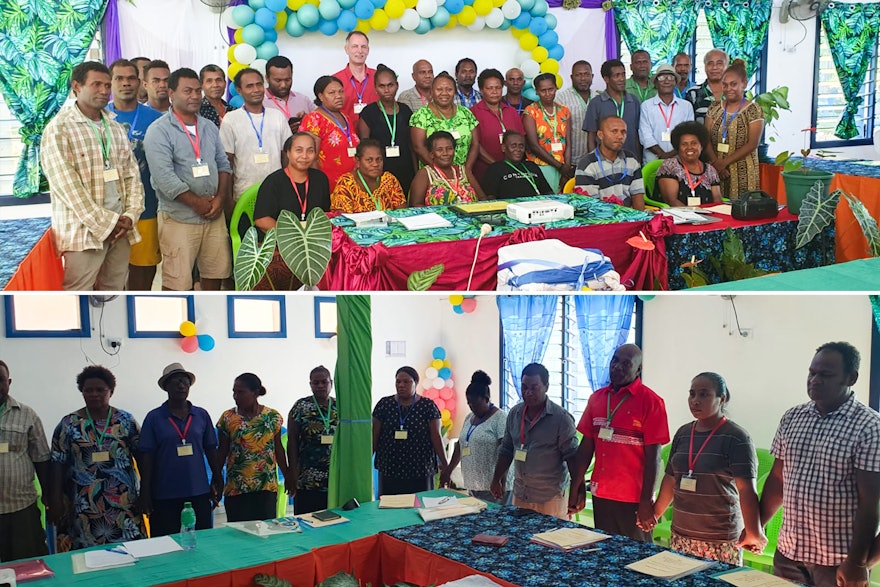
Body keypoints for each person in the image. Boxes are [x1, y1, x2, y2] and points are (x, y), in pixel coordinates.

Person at [760, 342, 880, 587]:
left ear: (851, 378)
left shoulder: (869, 426)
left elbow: (871, 502)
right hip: (788, 554)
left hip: (838, 562)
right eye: (812, 373)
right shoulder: (793, 417)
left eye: (825, 375)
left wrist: (857, 562)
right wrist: (757, 525)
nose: (815, 380)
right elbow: (778, 479)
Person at [41, 61, 144, 291]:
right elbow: (68, 187)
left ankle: (110, 330)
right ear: (76, 86)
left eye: (107, 85)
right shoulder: (59, 129)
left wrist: (129, 215)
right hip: (83, 234)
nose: (104, 90)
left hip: (120, 231)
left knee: (113, 295)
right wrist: (108, 223)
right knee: (78, 301)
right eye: (96, 84)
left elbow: (132, 176)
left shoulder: (115, 126)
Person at [652, 373, 766, 565]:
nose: (695, 401)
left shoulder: (737, 438)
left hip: (720, 538)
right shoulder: (683, 433)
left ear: (722, 399)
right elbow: (671, 479)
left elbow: (746, 490)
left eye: (704, 394)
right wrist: (654, 514)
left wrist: (754, 531)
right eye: (692, 394)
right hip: (682, 533)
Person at [568, 344, 669, 541]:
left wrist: (646, 501)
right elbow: (585, 450)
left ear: (638, 370)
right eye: (615, 360)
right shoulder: (596, 399)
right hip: (601, 493)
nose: (617, 367)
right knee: (605, 552)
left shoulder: (651, 402)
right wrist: (575, 488)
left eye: (626, 364)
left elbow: (653, 459)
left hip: (633, 498)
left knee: (636, 557)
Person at [143, 67, 232, 291]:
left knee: (214, 274)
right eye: (187, 91)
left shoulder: (208, 126)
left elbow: (223, 165)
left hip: (213, 214)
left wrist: (220, 200)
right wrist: (198, 203)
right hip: (179, 217)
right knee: (177, 281)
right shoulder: (159, 130)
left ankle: (210, 318)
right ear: (171, 93)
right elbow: (164, 178)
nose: (194, 96)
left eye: (197, 91)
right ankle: (175, 325)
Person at [49, 365, 146, 550]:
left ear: (111, 391)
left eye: (100, 390)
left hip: (123, 504)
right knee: (87, 559)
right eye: (88, 390)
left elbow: (142, 457)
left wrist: (146, 493)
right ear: (82, 392)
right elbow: (57, 463)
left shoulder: (125, 421)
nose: (94, 394)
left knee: (131, 554)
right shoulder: (69, 424)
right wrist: (55, 500)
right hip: (83, 507)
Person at [139, 363, 222, 537]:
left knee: (203, 541)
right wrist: (145, 490)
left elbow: (211, 449)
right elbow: (147, 456)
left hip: (198, 491)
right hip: (164, 493)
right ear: (166, 387)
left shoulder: (201, 415)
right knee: (165, 543)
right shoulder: (154, 417)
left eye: (185, 382)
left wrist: (217, 477)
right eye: (176, 381)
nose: (181, 385)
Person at [490, 363, 578, 519]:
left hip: (550, 498)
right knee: (521, 540)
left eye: (534, 387)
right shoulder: (515, 413)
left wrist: (577, 491)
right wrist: (496, 478)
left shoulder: (561, 418)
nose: (528, 392)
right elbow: (506, 449)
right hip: (521, 494)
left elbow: (572, 457)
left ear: (546, 386)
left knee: (551, 541)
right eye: (524, 387)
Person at [106, 58, 164, 293]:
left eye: (131, 78)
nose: (126, 83)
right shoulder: (99, 116)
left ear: (140, 82)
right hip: (108, 208)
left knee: (143, 267)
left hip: (147, 206)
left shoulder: (156, 119)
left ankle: (141, 305)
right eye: (119, 78)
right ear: (110, 82)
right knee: (110, 272)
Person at [254, 133, 331, 289]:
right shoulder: (273, 181)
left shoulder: (320, 179)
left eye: (310, 151)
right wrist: (292, 237)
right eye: (298, 150)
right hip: (280, 244)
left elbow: (325, 215)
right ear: (288, 152)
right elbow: (262, 220)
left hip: (313, 243)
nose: (304, 156)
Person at [215, 373, 286, 522]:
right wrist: (216, 479)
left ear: (255, 393)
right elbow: (221, 452)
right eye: (234, 392)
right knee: (238, 535)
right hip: (236, 488)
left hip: (265, 487)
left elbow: (278, 449)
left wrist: (288, 475)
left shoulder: (272, 417)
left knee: (266, 534)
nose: (235, 396)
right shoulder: (227, 418)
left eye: (240, 392)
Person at [219, 68, 292, 210]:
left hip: (276, 191)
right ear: (239, 90)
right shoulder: (231, 119)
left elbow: (286, 155)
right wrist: (227, 198)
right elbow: (227, 161)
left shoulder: (276, 116)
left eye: (259, 84)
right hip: (243, 192)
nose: (256, 89)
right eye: (249, 86)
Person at [0, 360, 51, 562]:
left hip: (21, 509)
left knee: (28, 566)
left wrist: (49, 495)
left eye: (0, 380)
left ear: (9, 382)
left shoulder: (27, 415)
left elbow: (42, 458)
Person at [372, 366, 448, 496]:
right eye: (398, 382)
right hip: (390, 470)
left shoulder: (427, 406)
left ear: (416, 383)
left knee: (419, 509)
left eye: (406, 382)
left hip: (420, 470)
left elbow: (436, 437)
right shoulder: (384, 405)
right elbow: (374, 436)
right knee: (390, 509)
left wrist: (446, 467)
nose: (401, 385)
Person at [440, 371, 511, 504]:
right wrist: (448, 471)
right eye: (469, 404)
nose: (473, 408)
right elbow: (461, 445)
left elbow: (505, 450)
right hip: (473, 485)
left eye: (476, 404)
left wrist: (499, 479)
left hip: (495, 486)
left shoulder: (500, 418)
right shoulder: (469, 418)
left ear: (487, 399)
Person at [705, 59, 763, 199]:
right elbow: (705, 138)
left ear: (744, 83)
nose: (728, 88)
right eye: (725, 85)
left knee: (743, 211)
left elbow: (752, 143)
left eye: (733, 84)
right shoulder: (714, 108)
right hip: (716, 170)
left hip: (743, 172)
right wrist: (716, 164)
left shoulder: (753, 110)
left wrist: (724, 162)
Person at [357, 64, 416, 193]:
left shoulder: (406, 110)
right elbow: (364, 147)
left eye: (390, 85)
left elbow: (412, 145)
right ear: (375, 88)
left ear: (397, 85)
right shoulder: (368, 113)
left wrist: (416, 172)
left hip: (406, 170)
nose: (387, 90)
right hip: (378, 171)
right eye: (382, 86)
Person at [287, 366, 338, 514]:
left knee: (333, 520)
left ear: (331, 383)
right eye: (316, 383)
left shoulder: (339, 406)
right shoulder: (300, 406)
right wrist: (293, 471)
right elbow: (292, 441)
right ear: (310, 384)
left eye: (324, 382)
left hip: (334, 477)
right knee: (306, 520)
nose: (320, 386)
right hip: (307, 476)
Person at [410, 72, 480, 171]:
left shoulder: (465, 113)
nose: (444, 93)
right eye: (439, 89)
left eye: (449, 89)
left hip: (463, 173)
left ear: (455, 92)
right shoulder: (421, 115)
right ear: (431, 91)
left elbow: (475, 144)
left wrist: (466, 170)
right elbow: (418, 147)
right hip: (434, 174)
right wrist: (442, 171)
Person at [300, 75, 360, 190]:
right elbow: (310, 158)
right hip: (328, 186)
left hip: (352, 184)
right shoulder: (314, 119)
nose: (338, 96)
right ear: (321, 96)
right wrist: (318, 187)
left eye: (341, 91)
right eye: (332, 93)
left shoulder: (345, 117)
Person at [574, 116, 645, 209]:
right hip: (602, 218)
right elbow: (590, 206)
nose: (620, 136)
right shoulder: (587, 164)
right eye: (614, 131)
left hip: (629, 217)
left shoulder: (631, 160)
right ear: (600, 135)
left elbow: (637, 196)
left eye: (623, 132)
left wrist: (639, 219)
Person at [470, 68, 525, 182]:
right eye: (489, 88)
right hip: (485, 171)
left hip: (513, 171)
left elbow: (521, 140)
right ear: (481, 90)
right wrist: (497, 166)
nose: (494, 92)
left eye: (498, 88)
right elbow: (475, 145)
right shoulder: (473, 113)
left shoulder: (511, 111)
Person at [523, 73, 573, 192]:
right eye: (543, 90)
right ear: (536, 92)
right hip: (540, 166)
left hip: (563, 167)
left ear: (556, 88)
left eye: (550, 89)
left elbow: (569, 142)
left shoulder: (564, 111)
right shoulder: (530, 112)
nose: (547, 94)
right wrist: (560, 167)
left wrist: (566, 168)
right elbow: (534, 145)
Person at [584, 59, 641, 159]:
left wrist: (638, 160)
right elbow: (591, 136)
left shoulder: (633, 101)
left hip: (630, 159)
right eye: (616, 75)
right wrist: (594, 161)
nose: (621, 79)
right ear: (606, 79)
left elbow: (637, 134)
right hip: (604, 160)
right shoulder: (596, 103)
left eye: (623, 74)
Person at [656, 121, 722, 206]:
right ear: (678, 147)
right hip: (678, 216)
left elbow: (717, 201)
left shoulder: (710, 170)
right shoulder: (670, 167)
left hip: (709, 216)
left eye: (694, 143)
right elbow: (672, 201)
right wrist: (696, 218)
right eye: (684, 144)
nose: (689, 147)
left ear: (701, 146)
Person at [409, 131, 483, 206]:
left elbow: (482, 198)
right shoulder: (425, 173)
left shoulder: (463, 171)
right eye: (439, 150)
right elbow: (416, 205)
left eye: (449, 148)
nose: (445, 153)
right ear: (431, 154)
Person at [639, 64, 695, 163]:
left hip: (679, 161)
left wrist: (670, 155)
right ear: (655, 83)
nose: (666, 80)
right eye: (661, 77)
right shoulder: (646, 106)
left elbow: (688, 134)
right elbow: (645, 135)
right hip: (653, 162)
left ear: (675, 82)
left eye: (670, 77)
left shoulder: (686, 106)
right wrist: (663, 155)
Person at [331, 139, 407, 213]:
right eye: (369, 160)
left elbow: (402, 213)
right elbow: (342, 220)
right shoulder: (346, 183)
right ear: (358, 161)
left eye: (379, 159)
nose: (375, 164)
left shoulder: (389, 180)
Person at [481, 131, 553, 198]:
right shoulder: (495, 169)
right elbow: (490, 198)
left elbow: (548, 192)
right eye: (513, 146)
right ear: (504, 148)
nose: (518, 149)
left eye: (521, 146)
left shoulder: (532, 166)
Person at [333, 31, 378, 127]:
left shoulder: (379, 77)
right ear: (346, 49)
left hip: (375, 137)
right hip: (346, 135)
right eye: (355, 46)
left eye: (363, 47)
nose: (360, 51)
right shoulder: (334, 80)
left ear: (368, 50)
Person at [263, 55, 315, 134]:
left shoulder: (303, 99)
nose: (283, 85)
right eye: (278, 80)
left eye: (287, 79)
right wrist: (286, 132)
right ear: (267, 78)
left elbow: (319, 127)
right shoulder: (259, 103)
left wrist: (308, 120)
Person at [555, 60, 594, 167]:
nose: (583, 78)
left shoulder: (598, 97)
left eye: (586, 74)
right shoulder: (561, 98)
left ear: (592, 76)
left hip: (595, 160)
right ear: (572, 77)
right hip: (570, 161)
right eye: (578, 75)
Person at [687, 49, 728, 125]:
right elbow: (687, 125)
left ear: (727, 67)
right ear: (705, 67)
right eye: (710, 63)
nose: (714, 67)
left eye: (719, 63)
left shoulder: (736, 93)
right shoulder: (693, 93)